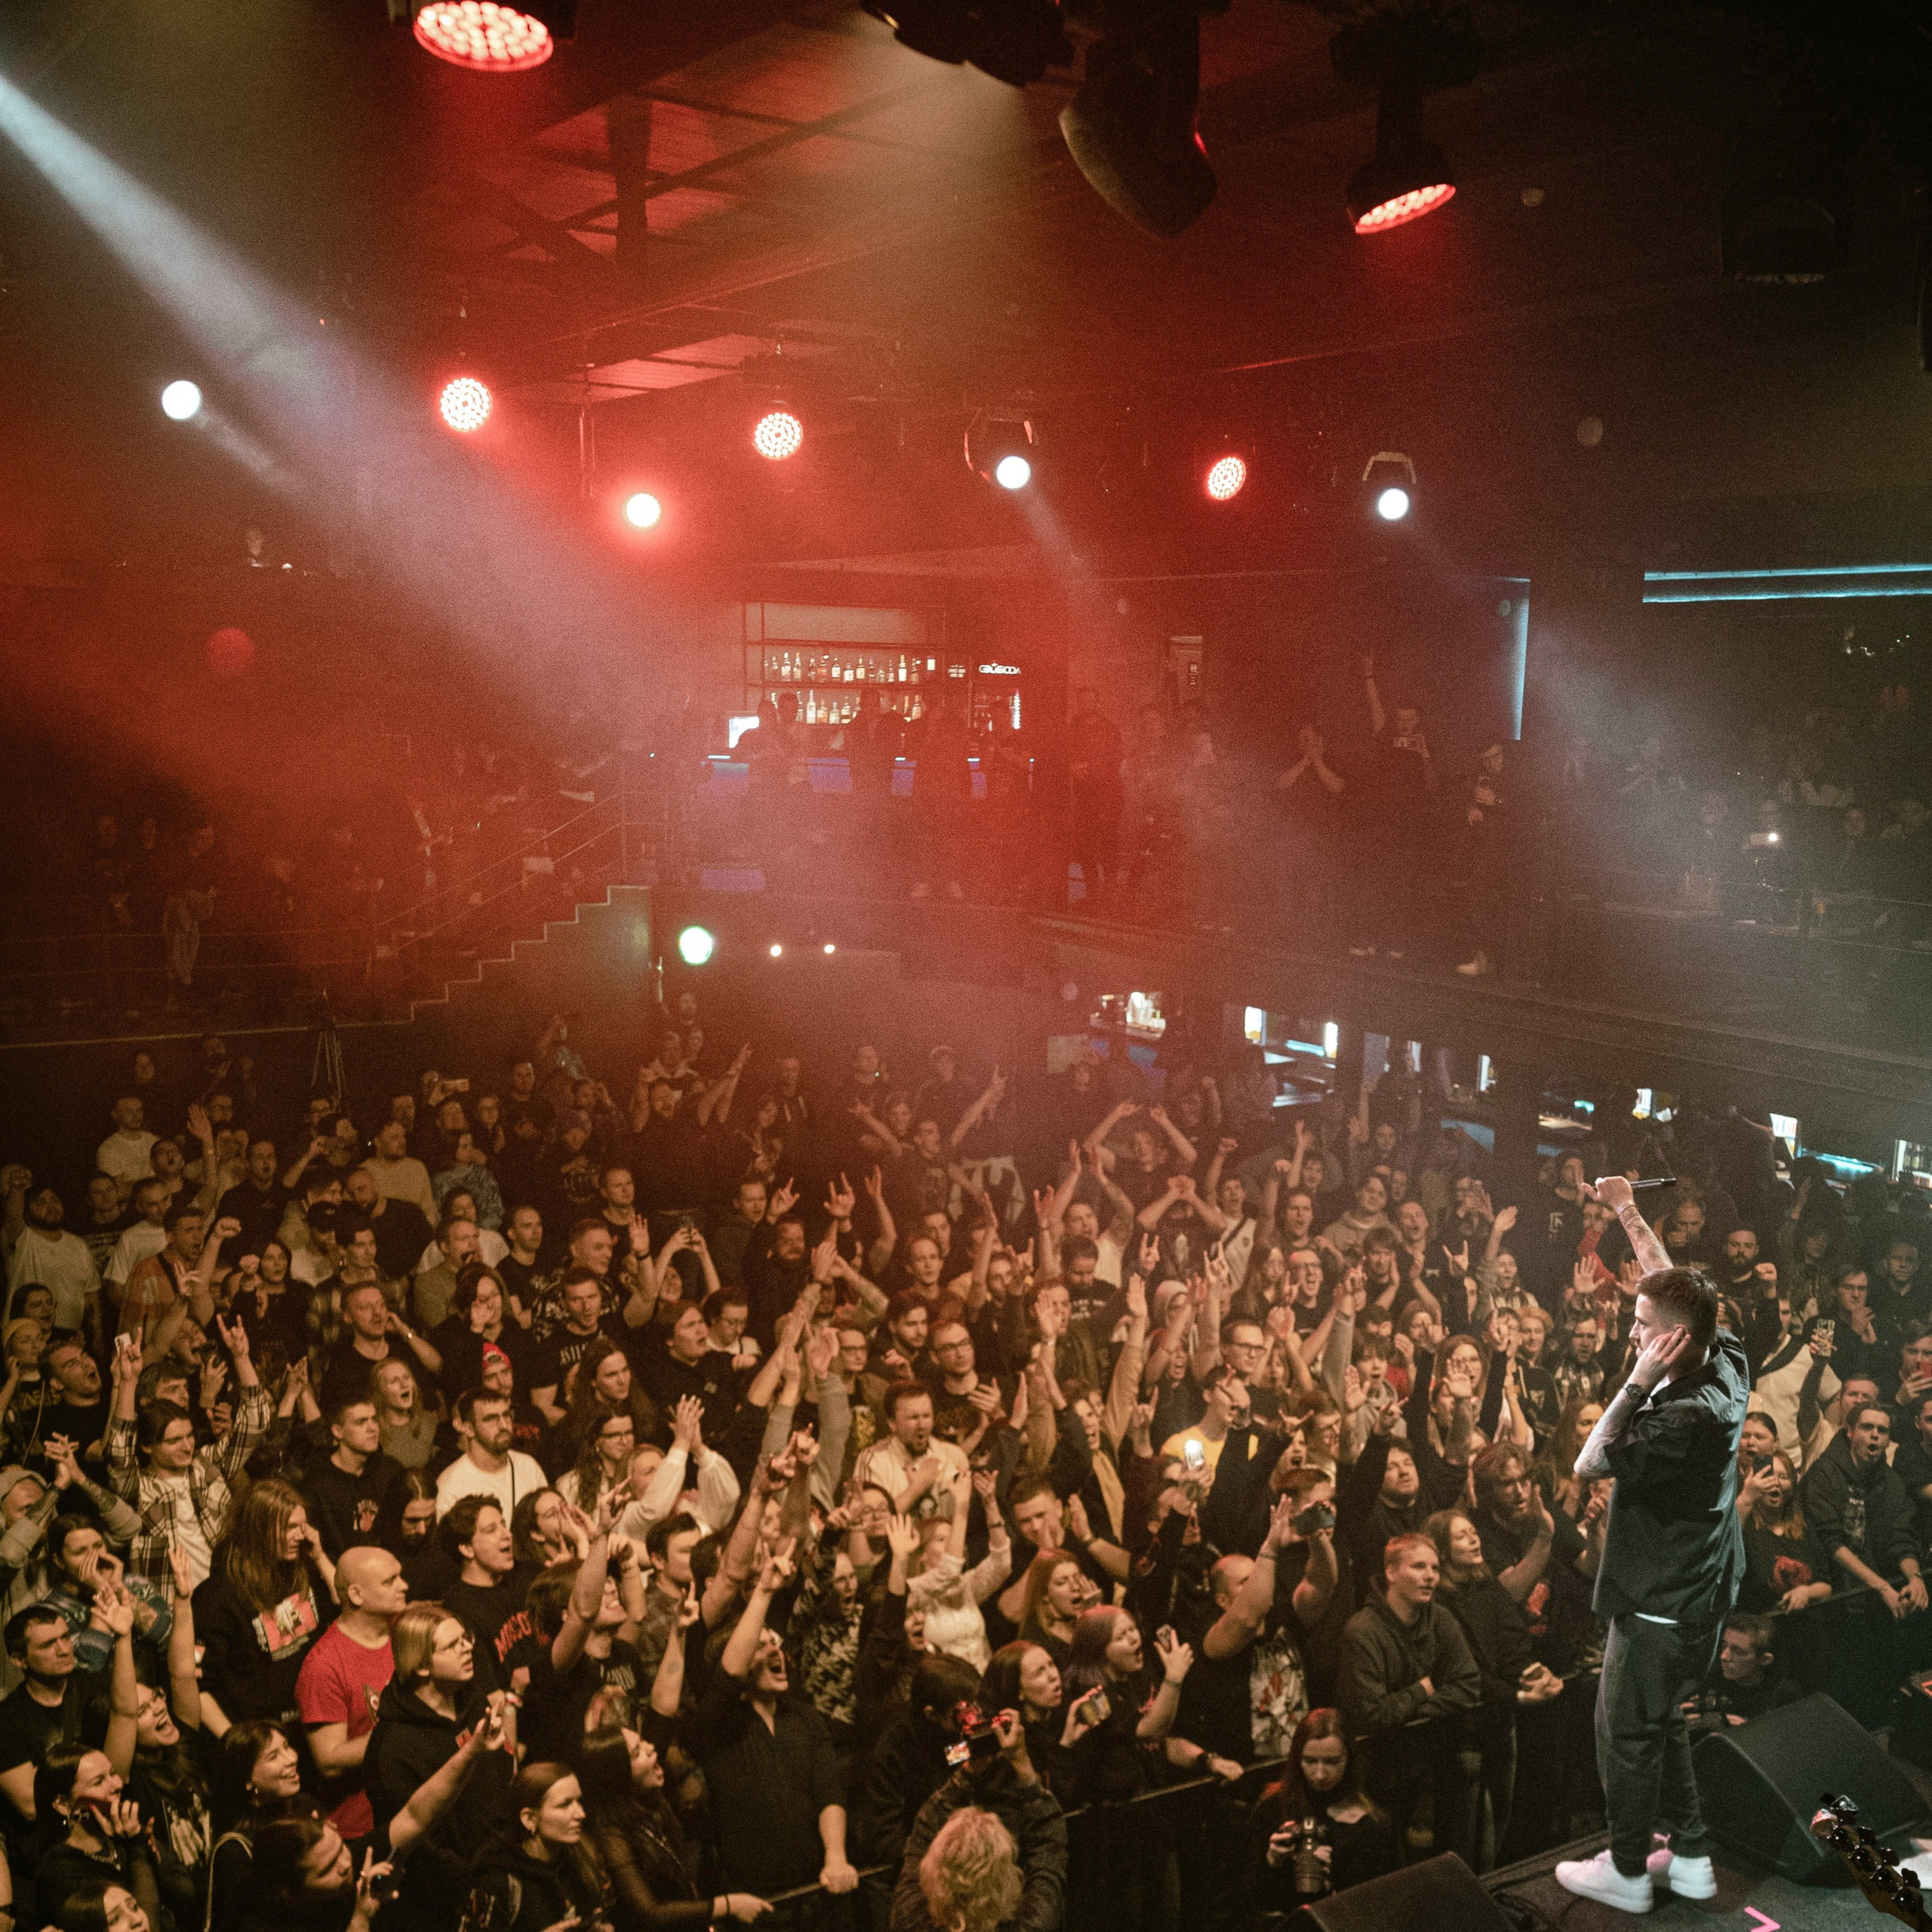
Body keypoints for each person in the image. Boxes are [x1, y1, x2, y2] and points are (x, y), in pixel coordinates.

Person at [1556, 1177, 1749, 1914]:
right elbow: (1667, 1285)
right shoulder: (1723, 1357)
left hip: (1660, 1605)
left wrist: (1634, 1383)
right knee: (1661, 1719)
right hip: (1701, 1594)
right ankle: (1692, 1853)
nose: (1632, 1332)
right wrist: (1625, 1209)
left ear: (1669, 1339)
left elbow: (1589, 1461)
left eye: (1641, 1327)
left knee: (1623, 1734)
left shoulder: (1681, 1419)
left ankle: (1629, 1871)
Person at [575, 1721, 771, 1931]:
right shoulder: (611, 1836)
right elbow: (649, 1913)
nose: (650, 1747)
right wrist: (728, 1905)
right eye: (636, 1752)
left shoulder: (651, 1806)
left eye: (642, 1741)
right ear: (617, 1776)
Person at [1244, 1709, 1397, 1915]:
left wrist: (1332, 1881)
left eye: (1332, 1762)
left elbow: (1377, 1907)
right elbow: (1253, 1899)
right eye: (1310, 1761)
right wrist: (1271, 1861)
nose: (1319, 1774)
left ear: (1349, 1759)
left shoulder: (1371, 1822)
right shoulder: (1273, 1807)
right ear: (1297, 1759)